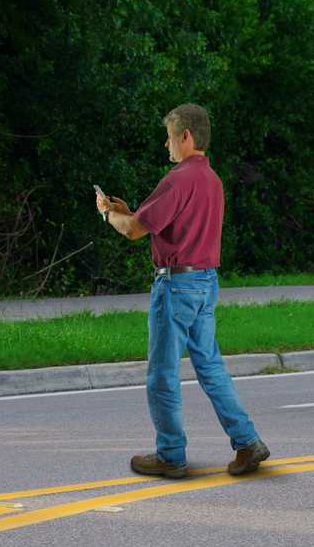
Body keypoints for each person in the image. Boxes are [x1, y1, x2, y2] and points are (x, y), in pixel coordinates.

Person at [95, 103, 270, 479]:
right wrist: (130, 211)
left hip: (176, 285)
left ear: (186, 136)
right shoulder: (211, 180)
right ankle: (247, 441)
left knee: (162, 373)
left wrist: (109, 213)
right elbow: (154, 221)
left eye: (170, 137)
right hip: (206, 282)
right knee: (210, 367)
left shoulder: (178, 178)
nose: (166, 145)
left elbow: (133, 231)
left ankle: (170, 454)